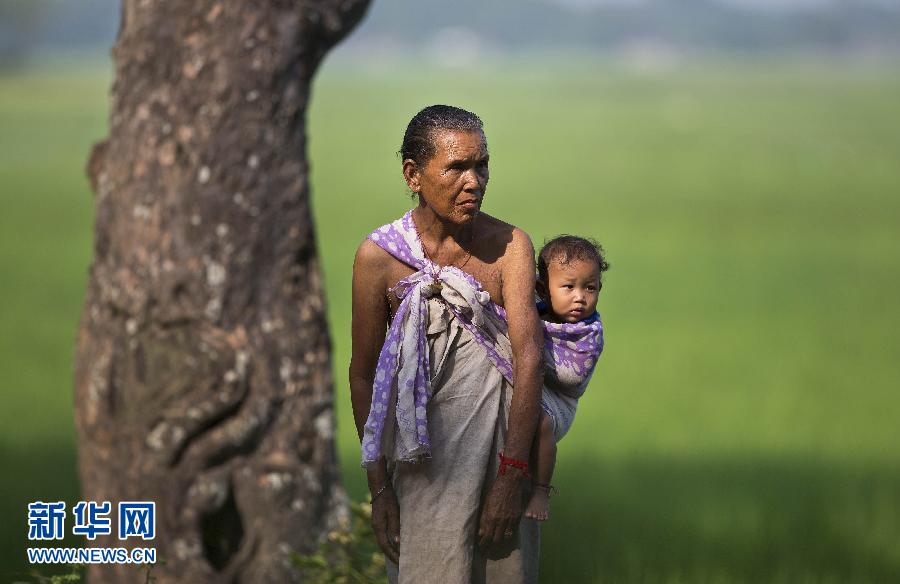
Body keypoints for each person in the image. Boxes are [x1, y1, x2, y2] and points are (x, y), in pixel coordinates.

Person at [349, 105, 544, 584]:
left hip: (503, 455)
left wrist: (512, 476)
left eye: (482, 165)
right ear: (413, 174)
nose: (474, 180)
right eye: (456, 167)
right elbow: (363, 375)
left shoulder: (509, 246)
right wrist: (380, 491)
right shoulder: (379, 259)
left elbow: (529, 357)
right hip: (421, 468)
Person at [523, 236, 608, 521]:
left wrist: (529, 349)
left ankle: (540, 490)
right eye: (569, 286)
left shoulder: (588, 334)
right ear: (542, 289)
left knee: (541, 423)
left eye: (590, 287)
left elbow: (571, 376)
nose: (580, 297)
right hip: (536, 385)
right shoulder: (537, 307)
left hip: (560, 401)